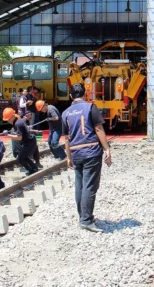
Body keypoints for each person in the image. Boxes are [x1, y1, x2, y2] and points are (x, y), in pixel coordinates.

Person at [62, 83, 112, 233]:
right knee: (90, 185)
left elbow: (66, 138)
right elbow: (98, 128)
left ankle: (83, 216)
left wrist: (68, 157)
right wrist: (107, 148)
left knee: (80, 185)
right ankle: (86, 220)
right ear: (85, 94)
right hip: (91, 151)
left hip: (76, 153)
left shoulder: (65, 113)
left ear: (71, 96)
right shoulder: (91, 107)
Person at [3, 108, 39, 174]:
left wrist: (8, 135)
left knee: (20, 158)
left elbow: (19, 137)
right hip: (29, 141)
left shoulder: (18, 123)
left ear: (12, 117)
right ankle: (34, 168)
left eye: (8, 119)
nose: (8, 121)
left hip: (29, 142)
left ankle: (31, 170)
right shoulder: (18, 121)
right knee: (23, 156)